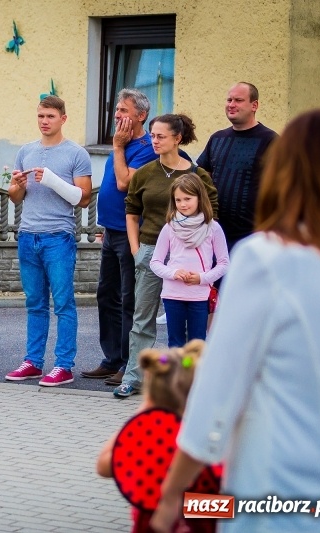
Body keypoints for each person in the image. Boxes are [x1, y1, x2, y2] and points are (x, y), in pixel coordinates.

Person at [151, 109, 320, 532]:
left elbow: (219, 390)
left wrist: (172, 499)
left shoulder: (267, 258)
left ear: (284, 171)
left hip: (281, 495)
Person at [114, 114, 218, 398]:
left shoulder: (198, 176)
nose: (154, 141)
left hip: (187, 259)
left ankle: (189, 381)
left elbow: (211, 218)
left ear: (177, 138)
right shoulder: (145, 172)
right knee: (142, 318)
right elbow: (132, 212)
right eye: (152, 136)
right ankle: (134, 378)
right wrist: (137, 250)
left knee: (187, 326)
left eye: (160, 136)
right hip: (150, 252)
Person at [4, 96, 93, 387]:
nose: (44, 121)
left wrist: (53, 179)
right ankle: (32, 362)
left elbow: (84, 199)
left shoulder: (76, 153)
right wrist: (16, 186)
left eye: (50, 116)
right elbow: (17, 197)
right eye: (41, 115)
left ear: (63, 119)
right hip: (28, 235)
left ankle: (64, 365)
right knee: (34, 303)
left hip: (58, 237)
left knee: (64, 303)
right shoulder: (26, 151)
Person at [81, 88, 158, 386]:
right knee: (106, 295)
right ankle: (111, 358)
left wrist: (116, 147)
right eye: (116, 111)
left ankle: (129, 364)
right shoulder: (124, 144)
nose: (117, 116)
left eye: (123, 111)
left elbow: (126, 183)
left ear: (141, 116)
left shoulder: (146, 147)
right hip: (111, 230)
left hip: (131, 233)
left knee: (130, 299)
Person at [97, 341, 206, 533]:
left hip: (151, 521)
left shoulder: (146, 432)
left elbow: (104, 466)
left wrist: (142, 412)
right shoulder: (206, 432)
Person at [150, 173, 229, 347]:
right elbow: (155, 262)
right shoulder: (169, 227)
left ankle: (193, 374)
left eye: (188, 198)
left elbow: (224, 263)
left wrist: (202, 278)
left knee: (197, 344)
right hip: (172, 294)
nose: (183, 204)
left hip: (200, 295)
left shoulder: (213, 228)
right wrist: (173, 273)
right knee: (176, 344)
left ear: (199, 198)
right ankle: (178, 374)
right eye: (178, 200)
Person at [197, 82, 278, 251]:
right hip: (214, 233)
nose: (231, 105)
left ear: (254, 105)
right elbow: (202, 178)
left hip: (253, 236)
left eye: (238, 100)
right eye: (229, 100)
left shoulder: (270, 141)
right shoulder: (217, 138)